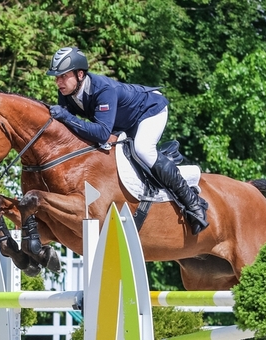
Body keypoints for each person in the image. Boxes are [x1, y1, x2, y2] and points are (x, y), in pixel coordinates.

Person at [46, 46, 209, 235]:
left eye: (63, 76)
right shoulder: (67, 92)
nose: (58, 82)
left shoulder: (103, 90)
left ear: (80, 74)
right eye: (57, 77)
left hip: (149, 110)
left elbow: (100, 133)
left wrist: (66, 117)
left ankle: (192, 202)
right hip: (121, 122)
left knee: (142, 150)